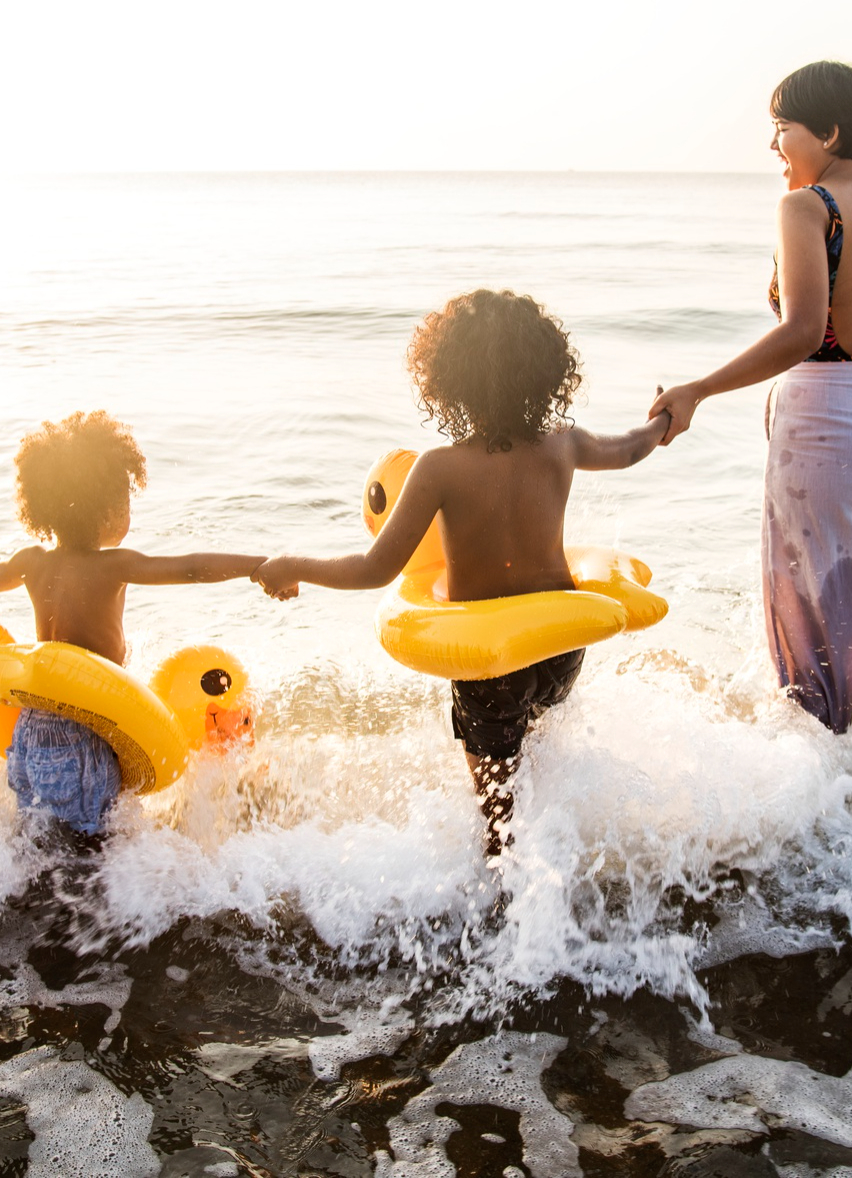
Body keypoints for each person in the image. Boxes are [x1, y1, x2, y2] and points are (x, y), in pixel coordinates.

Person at [254, 290, 670, 852]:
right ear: (545, 371)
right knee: (540, 753)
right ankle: (556, 868)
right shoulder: (564, 445)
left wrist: (291, 564)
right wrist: (664, 418)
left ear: (447, 381)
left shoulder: (439, 468)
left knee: (498, 819)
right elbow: (630, 449)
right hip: (559, 647)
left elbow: (375, 568)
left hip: (489, 664)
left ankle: (505, 908)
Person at [649, 60, 852, 735]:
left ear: (829, 132)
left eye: (782, 129)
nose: (774, 146)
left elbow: (803, 329)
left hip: (826, 426)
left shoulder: (806, 207)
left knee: (812, 646)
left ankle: (820, 822)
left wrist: (699, 390)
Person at [0, 410, 266, 838]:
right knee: (93, 853)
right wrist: (257, 566)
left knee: (38, 847)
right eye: (124, 499)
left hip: (29, 733)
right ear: (107, 509)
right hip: (84, 737)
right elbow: (190, 568)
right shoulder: (115, 566)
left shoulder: (32, 562)